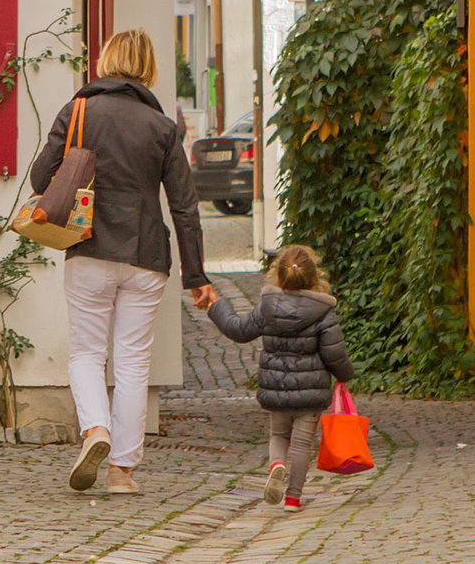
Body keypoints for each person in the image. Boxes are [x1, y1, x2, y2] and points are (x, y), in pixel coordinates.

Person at [30, 29, 211, 495]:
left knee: (88, 353)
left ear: (107, 60)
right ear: (148, 67)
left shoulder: (79, 111)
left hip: (89, 246)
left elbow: (40, 174)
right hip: (147, 254)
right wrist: (197, 276)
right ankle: (122, 472)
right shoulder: (163, 126)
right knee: (133, 362)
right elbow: (185, 206)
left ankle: (96, 430)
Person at [207, 245, 355, 512]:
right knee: (301, 444)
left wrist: (216, 306)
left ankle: (276, 465)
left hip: (275, 388)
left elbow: (239, 330)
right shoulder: (323, 312)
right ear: (314, 278)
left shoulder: (268, 307)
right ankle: (293, 498)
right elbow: (335, 355)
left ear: (278, 277)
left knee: (278, 435)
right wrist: (345, 376)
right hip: (310, 394)